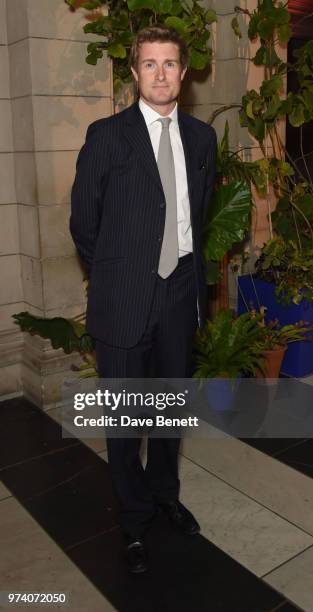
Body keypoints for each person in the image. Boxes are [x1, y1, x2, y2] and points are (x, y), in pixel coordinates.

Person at [70, 25, 217, 573]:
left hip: (180, 292)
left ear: (184, 71)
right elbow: (84, 223)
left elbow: (196, 219)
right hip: (126, 297)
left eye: (170, 64)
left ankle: (164, 497)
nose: (161, 74)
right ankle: (133, 522)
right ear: (134, 72)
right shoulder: (106, 136)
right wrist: (122, 272)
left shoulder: (202, 141)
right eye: (150, 64)